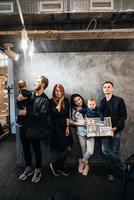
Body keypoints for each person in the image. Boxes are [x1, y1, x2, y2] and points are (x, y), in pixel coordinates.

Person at [18, 75, 51, 183]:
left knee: (36, 149)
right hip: (24, 127)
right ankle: (28, 168)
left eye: (37, 81)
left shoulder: (45, 100)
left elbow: (42, 115)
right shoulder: (30, 94)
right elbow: (20, 105)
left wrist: (27, 113)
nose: (35, 83)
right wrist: (19, 100)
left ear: (43, 84)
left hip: (35, 129)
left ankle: (38, 170)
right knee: (25, 148)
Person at [100, 81, 127, 181]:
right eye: (104, 87)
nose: (106, 88)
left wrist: (116, 128)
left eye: (108, 87)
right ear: (103, 90)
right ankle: (122, 165)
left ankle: (112, 173)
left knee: (115, 151)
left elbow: (123, 115)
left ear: (112, 88)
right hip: (106, 130)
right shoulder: (102, 101)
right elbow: (101, 116)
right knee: (105, 150)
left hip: (116, 129)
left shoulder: (119, 100)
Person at [70, 95, 99, 176]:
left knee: (90, 152)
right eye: (76, 101)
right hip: (80, 133)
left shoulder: (89, 107)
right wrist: (81, 123)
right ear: (74, 103)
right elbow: (71, 122)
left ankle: (82, 162)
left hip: (91, 132)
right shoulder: (73, 110)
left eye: (79, 99)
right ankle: (86, 166)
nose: (78, 101)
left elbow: (97, 119)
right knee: (84, 151)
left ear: (81, 99)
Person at [49, 84, 74, 176]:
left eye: (60, 91)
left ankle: (58, 166)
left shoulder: (66, 101)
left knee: (68, 147)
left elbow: (67, 115)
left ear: (63, 91)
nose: (58, 92)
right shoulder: (50, 101)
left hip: (65, 127)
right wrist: (59, 103)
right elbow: (54, 112)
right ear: (54, 91)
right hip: (56, 128)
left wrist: (68, 127)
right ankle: (56, 165)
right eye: (56, 90)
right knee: (65, 148)